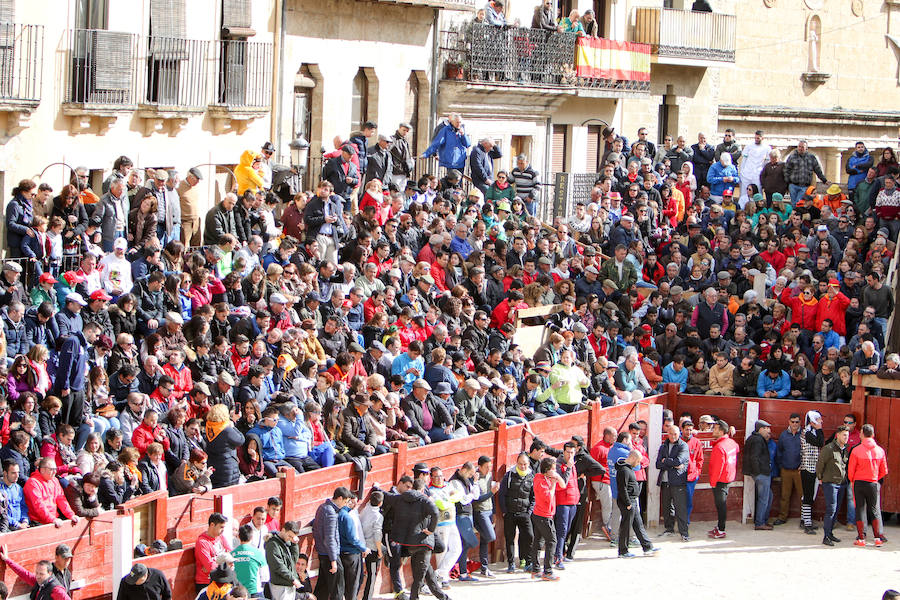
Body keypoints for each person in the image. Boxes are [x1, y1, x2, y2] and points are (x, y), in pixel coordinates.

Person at [848, 424, 888, 546]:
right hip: (873, 482)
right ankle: (877, 538)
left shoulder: (856, 450)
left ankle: (861, 538)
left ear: (862, 434)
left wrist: (852, 480)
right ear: (873, 434)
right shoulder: (880, 451)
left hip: (859, 483)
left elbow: (851, 470)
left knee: (860, 509)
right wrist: (875, 477)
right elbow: (884, 471)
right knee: (874, 509)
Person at [615, 450, 658, 558]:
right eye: (638, 461)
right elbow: (622, 488)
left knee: (638, 525)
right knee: (626, 526)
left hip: (632, 501)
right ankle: (623, 551)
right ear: (633, 458)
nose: (638, 464)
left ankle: (647, 547)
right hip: (628, 502)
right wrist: (628, 503)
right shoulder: (624, 470)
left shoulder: (627, 468)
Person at [313, 487, 351, 600]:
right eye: (345, 502)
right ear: (340, 499)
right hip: (329, 555)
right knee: (337, 588)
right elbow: (330, 538)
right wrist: (333, 560)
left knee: (323, 587)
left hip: (322, 553)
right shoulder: (331, 513)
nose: (345, 505)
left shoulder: (322, 507)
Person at [498, 451, 534, 573]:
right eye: (520, 464)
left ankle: (528, 562)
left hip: (525, 512)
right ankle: (511, 563)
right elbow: (502, 494)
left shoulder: (532, 476)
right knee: (510, 539)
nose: (522, 466)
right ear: (516, 463)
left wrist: (529, 511)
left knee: (529, 536)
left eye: (525, 464)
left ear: (528, 464)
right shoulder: (509, 475)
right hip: (510, 512)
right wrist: (505, 511)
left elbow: (533, 496)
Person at [816, 424, 849, 546]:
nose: (846, 437)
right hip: (830, 483)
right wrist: (820, 477)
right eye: (844, 435)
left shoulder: (845, 449)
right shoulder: (829, 448)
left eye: (847, 435)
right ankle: (826, 536)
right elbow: (820, 464)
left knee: (836, 510)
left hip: (841, 483)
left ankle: (830, 533)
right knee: (831, 509)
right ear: (837, 435)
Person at [656, 424, 690, 541]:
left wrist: (665, 461)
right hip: (665, 481)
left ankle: (684, 533)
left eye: (675, 434)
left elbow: (679, 461)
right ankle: (669, 529)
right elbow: (658, 464)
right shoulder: (663, 446)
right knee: (667, 508)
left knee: (680, 508)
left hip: (678, 481)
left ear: (679, 434)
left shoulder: (683, 446)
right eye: (670, 433)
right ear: (667, 434)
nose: (673, 436)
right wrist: (672, 464)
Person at [531, 456, 562, 580]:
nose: (555, 471)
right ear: (547, 470)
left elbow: (563, 485)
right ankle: (547, 571)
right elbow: (549, 497)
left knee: (538, 542)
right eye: (553, 469)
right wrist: (553, 483)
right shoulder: (540, 480)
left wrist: (556, 477)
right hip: (544, 515)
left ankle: (536, 570)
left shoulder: (541, 478)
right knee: (551, 541)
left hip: (540, 514)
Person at [0, 545, 70, 600]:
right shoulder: (39, 581)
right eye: (37, 573)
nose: (38, 576)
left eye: (41, 574)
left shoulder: (56, 590)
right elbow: (23, 573)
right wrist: (7, 560)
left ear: (50, 574)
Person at [707, 419, 738, 539]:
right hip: (728, 476)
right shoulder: (731, 442)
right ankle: (720, 527)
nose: (713, 430)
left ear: (721, 432)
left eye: (715, 428)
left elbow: (717, 467)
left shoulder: (719, 447)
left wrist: (713, 482)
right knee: (722, 504)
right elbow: (737, 448)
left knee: (721, 505)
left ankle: (721, 529)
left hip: (720, 479)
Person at [743, 420, 773, 530]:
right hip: (762, 473)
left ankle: (762, 520)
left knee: (768, 496)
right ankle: (760, 522)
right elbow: (754, 457)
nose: (768, 430)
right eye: (766, 428)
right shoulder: (758, 440)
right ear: (760, 429)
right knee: (764, 498)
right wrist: (758, 472)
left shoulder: (754, 438)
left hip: (759, 472)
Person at [265, 520, 303, 600]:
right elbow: (278, 566)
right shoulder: (273, 544)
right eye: (289, 536)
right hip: (280, 585)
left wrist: (294, 544)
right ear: (283, 530)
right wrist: (292, 579)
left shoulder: (288, 542)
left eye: (292, 537)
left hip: (289, 583)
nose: (290, 539)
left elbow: (294, 560)